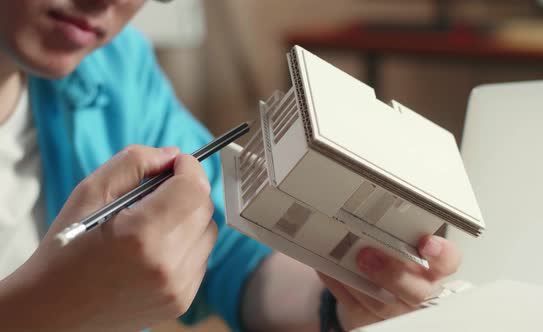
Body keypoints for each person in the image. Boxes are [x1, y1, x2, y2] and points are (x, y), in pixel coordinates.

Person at [0, 1, 462, 331]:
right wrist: (49, 309)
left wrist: (344, 302)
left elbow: (232, 259)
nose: (107, 3)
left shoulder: (115, 69)